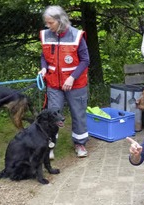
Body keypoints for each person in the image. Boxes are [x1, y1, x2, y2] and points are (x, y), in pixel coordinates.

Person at [39, 5, 90, 158]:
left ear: (60, 20)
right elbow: (43, 57)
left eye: (50, 23)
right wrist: (43, 68)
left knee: (78, 113)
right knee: (52, 113)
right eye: (46, 23)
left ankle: (80, 143)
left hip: (76, 83)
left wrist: (72, 77)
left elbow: (85, 60)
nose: (48, 26)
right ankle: (50, 144)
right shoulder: (46, 35)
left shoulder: (76, 36)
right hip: (53, 83)